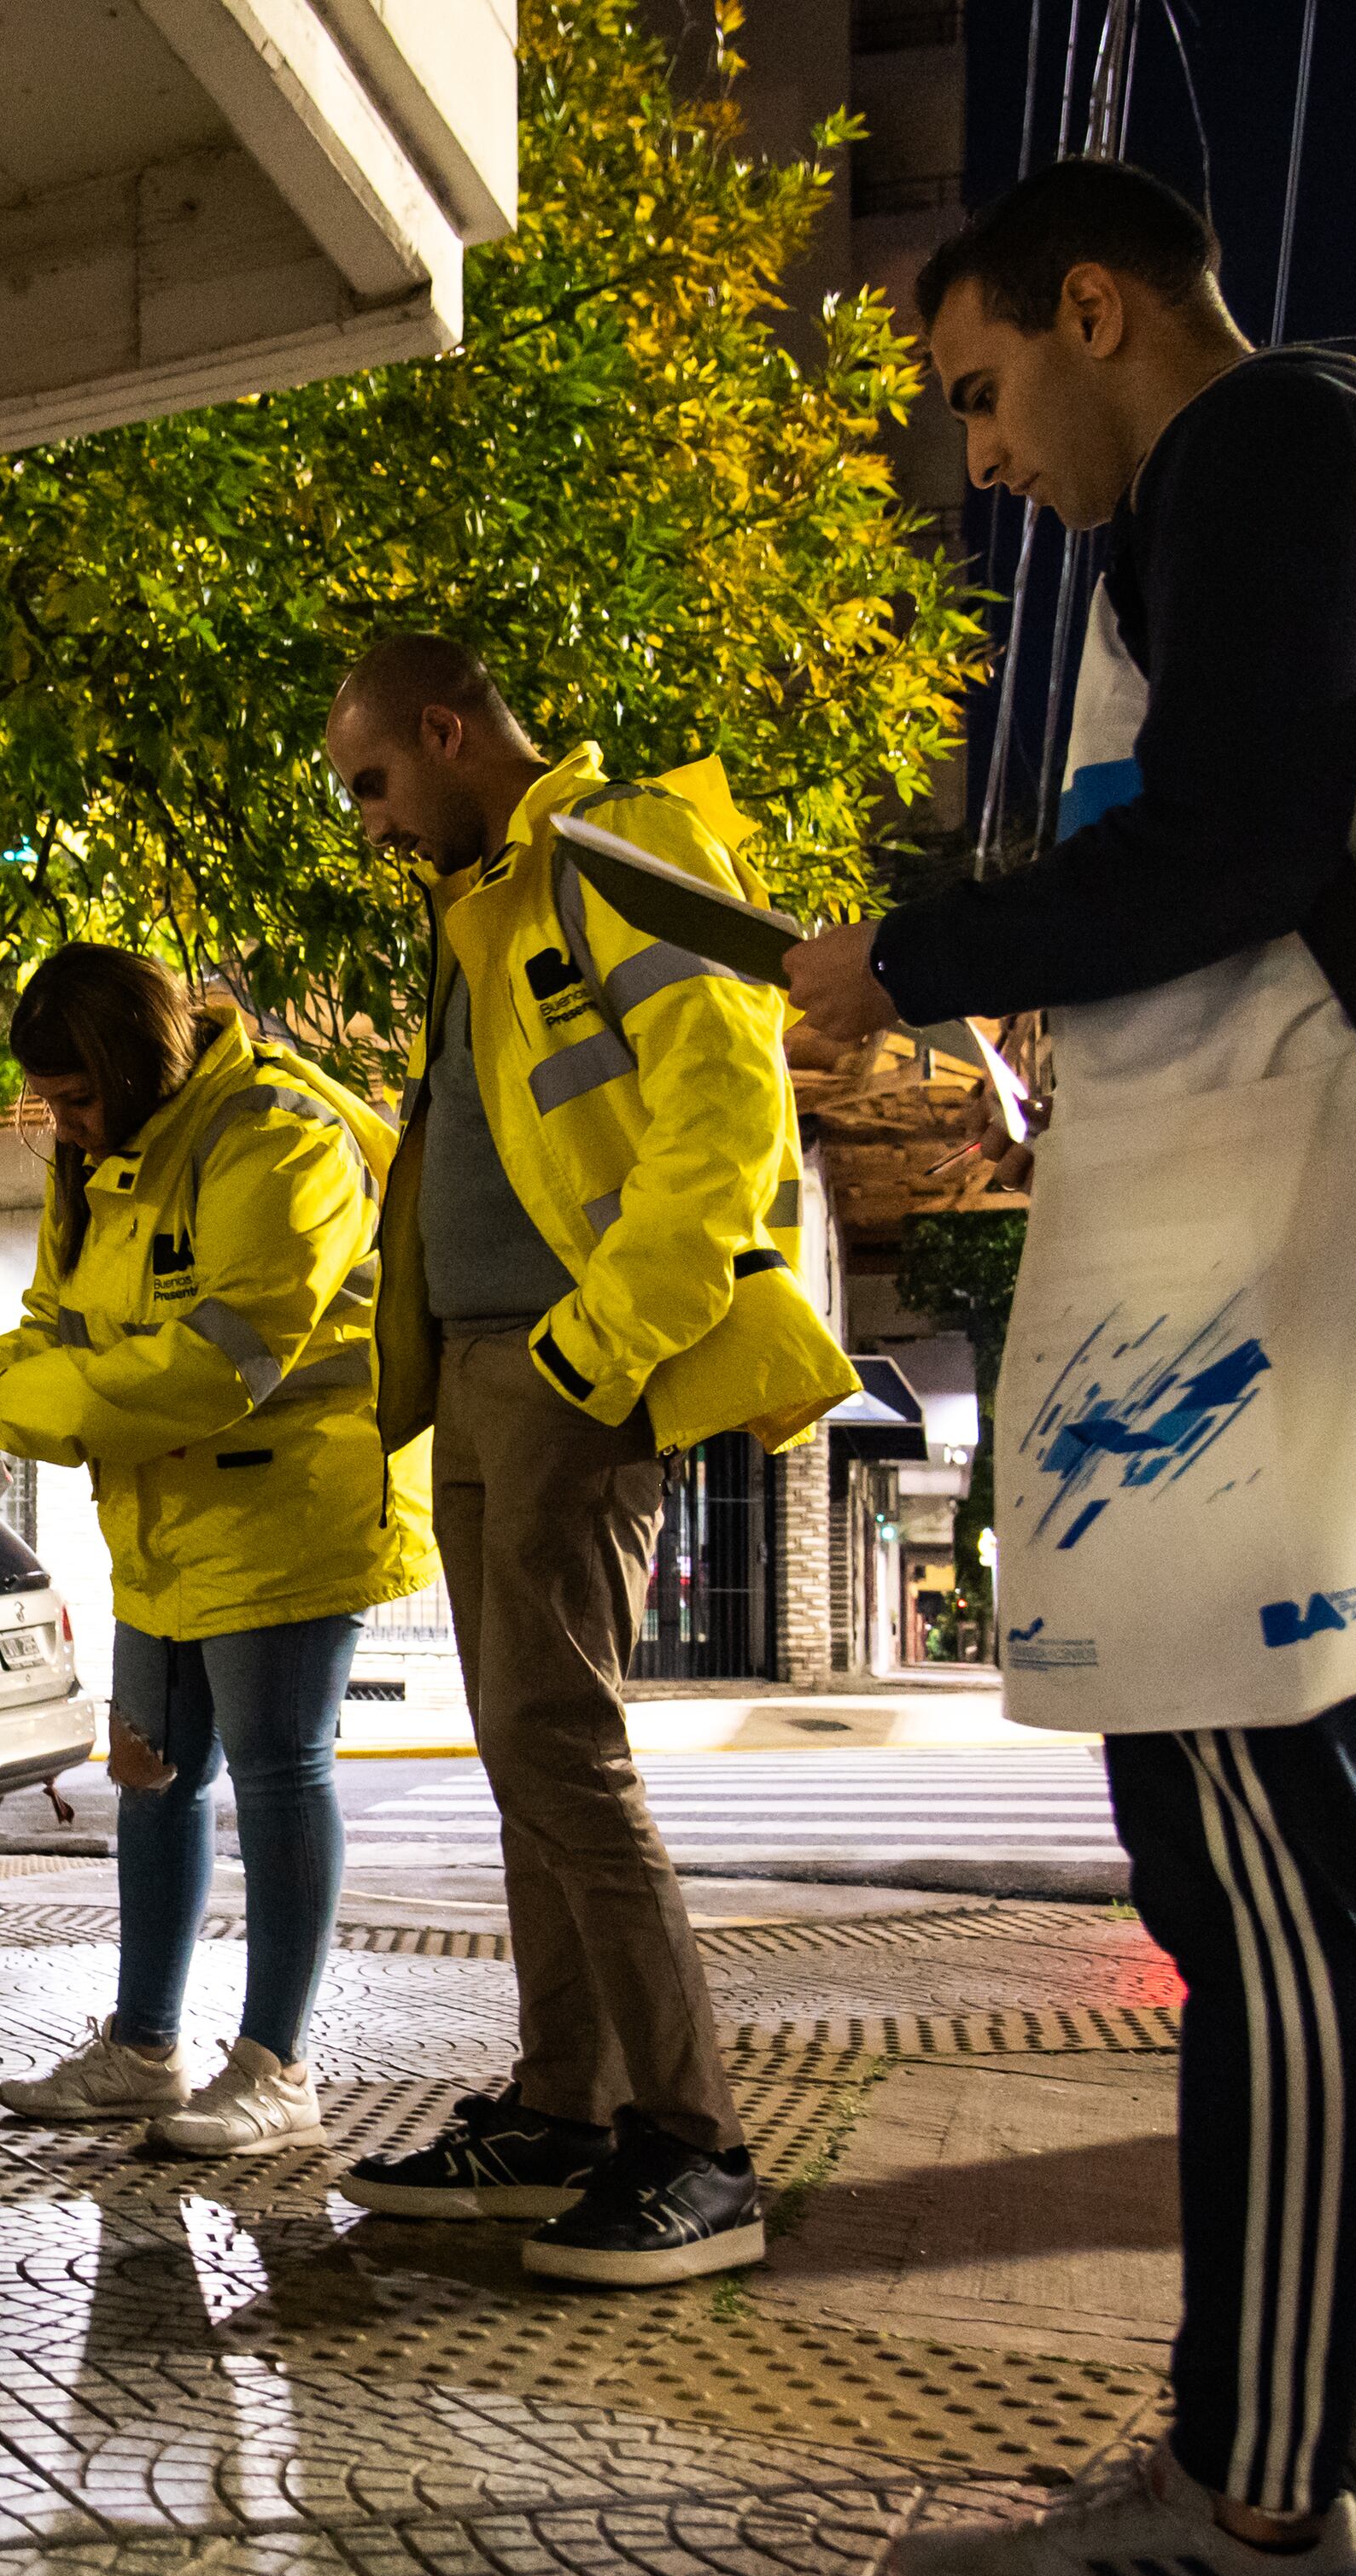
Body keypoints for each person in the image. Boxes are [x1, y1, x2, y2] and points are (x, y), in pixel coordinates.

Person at [786, 161, 1356, 2576]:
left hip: (1283, 1230)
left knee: (1250, 1853)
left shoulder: (1255, 447)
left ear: (1100, 306)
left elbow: (1239, 846)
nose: (979, 455)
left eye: (977, 386)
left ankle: (1250, 2514)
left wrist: (913, 952)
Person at [316, 634, 860, 2286]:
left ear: (445, 727)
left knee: (566, 1748)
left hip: (566, 1368)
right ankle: (562, 2109)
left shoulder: (615, 856)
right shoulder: (487, 902)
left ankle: (697, 2145)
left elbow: (727, 1120)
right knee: (524, 1752)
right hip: (489, 1370)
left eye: (375, 784)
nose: (373, 824)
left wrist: (594, 1345)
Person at [0, 948, 435, 2156]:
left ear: (135, 1064)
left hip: (290, 1508)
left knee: (279, 1770)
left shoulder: (277, 1135)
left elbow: (220, 1361)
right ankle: (145, 2049)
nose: (59, 1126)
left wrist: (22, 1403)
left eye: (73, 1098)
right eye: (49, 1102)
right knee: (153, 1775)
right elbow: (60, 1325)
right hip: (167, 1518)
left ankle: (277, 2067)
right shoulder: (102, 1160)